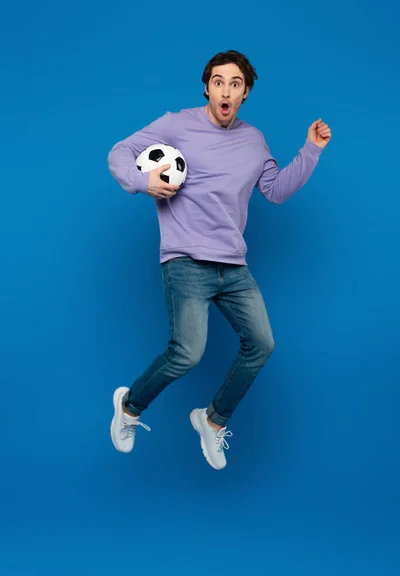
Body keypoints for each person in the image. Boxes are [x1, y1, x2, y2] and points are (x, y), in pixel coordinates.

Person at [107, 50, 331, 470]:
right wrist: (142, 180)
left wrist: (311, 150)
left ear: (245, 93)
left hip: (233, 265)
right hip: (186, 261)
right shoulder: (177, 124)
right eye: (218, 81)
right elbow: (120, 151)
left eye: (235, 84)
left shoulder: (254, 141)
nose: (225, 90)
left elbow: (277, 190)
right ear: (207, 87)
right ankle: (130, 406)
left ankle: (212, 421)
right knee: (187, 354)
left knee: (262, 344)